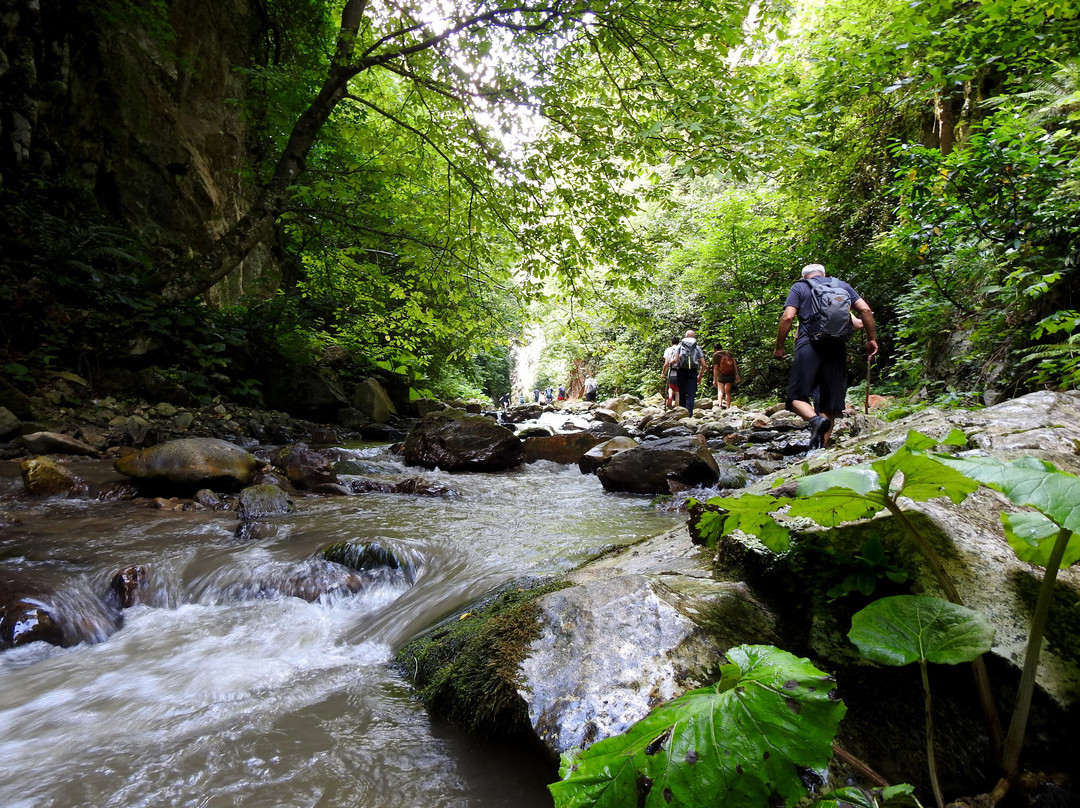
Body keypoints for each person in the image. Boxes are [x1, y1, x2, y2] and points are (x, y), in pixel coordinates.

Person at [774, 263, 878, 449]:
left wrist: (779, 347)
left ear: (805, 276)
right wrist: (871, 339)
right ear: (823, 274)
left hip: (809, 345)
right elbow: (865, 310)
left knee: (795, 398)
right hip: (837, 347)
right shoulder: (842, 286)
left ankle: (814, 420)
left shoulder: (800, 287)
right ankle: (819, 449)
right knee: (829, 403)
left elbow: (788, 317)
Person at [673, 330, 706, 416]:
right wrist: (700, 376)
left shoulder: (680, 346)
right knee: (691, 394)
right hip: (693, 372)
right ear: (694, 337)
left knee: (682, 393)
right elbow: (704, 364)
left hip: (681, 371)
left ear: (685, 336)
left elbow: (675, 360)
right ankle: (689, 414)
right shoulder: (697, 347)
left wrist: (670, 362)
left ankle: (682, 414)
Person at [711, 345, 740, 409]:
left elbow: (715, 368)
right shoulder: (728, 353)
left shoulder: (716, 355)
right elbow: (734, 364)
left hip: (721, 374)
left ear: (715, 349)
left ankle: (720, 404)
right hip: (730, 374)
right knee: (728, 391)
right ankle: (728, 407)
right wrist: (737, 374)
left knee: (720, 391)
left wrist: (714, 379)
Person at [661, 337, 680, 409]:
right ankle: (676, 404)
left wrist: (663, 373)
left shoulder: (668, 350)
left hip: (671, 371)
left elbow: (666, 363)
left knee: (671, 387)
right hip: (680, 371)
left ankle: (670, 397)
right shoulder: (681, 349)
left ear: (671, 342)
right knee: (678, 389)